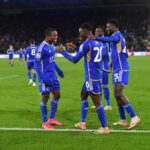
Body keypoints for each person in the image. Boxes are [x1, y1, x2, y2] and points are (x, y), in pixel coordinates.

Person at [57, 23, 110, 134]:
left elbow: (74, 60)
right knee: (83, 95)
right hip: (95, 76)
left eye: (80, 32)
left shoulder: (86, 44)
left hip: (92, 77)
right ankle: (83, 122)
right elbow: (89, 53)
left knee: (97, 103)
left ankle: (105, 127)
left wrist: (63, 52)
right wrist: (75, 47)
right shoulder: (97, 43)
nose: (79, 34)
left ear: (86, 32)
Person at [94, 19, 140, 129]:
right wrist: (111, 65)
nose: (107, 29)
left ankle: (134, 116)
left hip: (122, 69)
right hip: (117, 69)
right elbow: (116, 53)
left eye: (108, 26)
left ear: (115, 26)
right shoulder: (116, 38)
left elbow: (110, 40)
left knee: (119, 93)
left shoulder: (117, 36)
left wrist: (96, 37)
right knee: (116, 94)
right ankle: (123, 120)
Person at [34, 27, 64, 130]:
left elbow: (52, 61)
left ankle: (52, 119)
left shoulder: (51, 46)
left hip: (53, 77)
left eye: (56, 35)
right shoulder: (41, 48)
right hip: (44, 77)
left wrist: (59, 70)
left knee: (57, 95)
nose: (56, 37)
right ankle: (44, 122)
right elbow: (36, 65)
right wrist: (44, 78)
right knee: (45, 98)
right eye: (54, 35)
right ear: (48, 36)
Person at [91, 25, 112, 110]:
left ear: (102, 32)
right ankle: (99, 103)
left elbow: (102, 54)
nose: (96, 33)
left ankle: (108, 104)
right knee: (98, 86)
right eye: (95, 31)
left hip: (104, 67)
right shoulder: (98, 41)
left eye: (98, 31)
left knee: (104, 86)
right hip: (98, 67)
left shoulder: (104, 42)